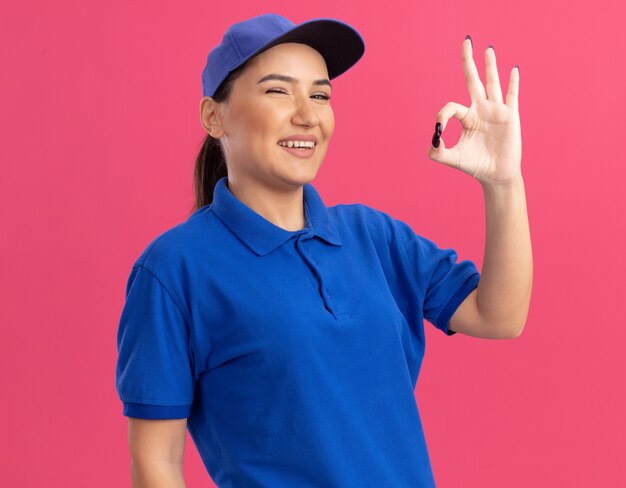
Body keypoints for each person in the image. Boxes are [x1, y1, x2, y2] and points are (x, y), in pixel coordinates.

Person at [115, 13, 532, 488]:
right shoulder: (173, 270)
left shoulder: (372, 236)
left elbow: (500, 317)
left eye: (320, 94)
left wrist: (504, 183)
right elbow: (157, 463)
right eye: (278, 90)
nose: (308, 115)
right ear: (214, 116)